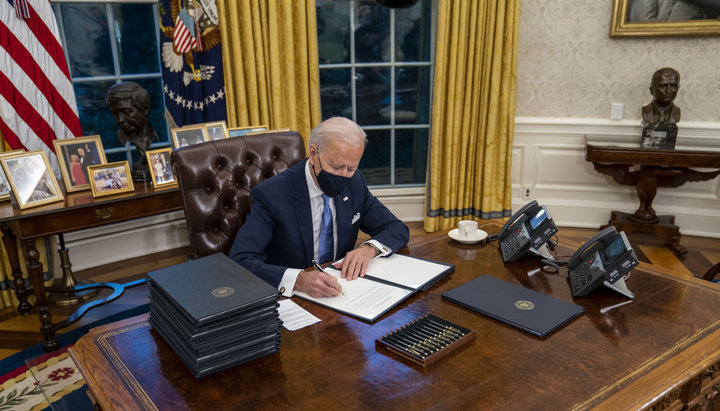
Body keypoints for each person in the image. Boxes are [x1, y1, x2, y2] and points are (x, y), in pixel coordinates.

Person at [229, 117, 409, 298]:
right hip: (293, 298)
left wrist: (368, 249)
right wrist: (298, 280)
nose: (344, 176)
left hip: (343, 290)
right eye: (337, 166)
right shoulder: (272, 195)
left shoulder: (355, 183)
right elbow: (241, 261)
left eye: (351, 168)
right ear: (314, 153)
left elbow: (396, 228)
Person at [106, 82, 159, 167]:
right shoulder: (111, 145)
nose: (120, 120)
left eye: (126, 112)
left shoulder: (161, 138)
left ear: (145, 110)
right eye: (115, 114)